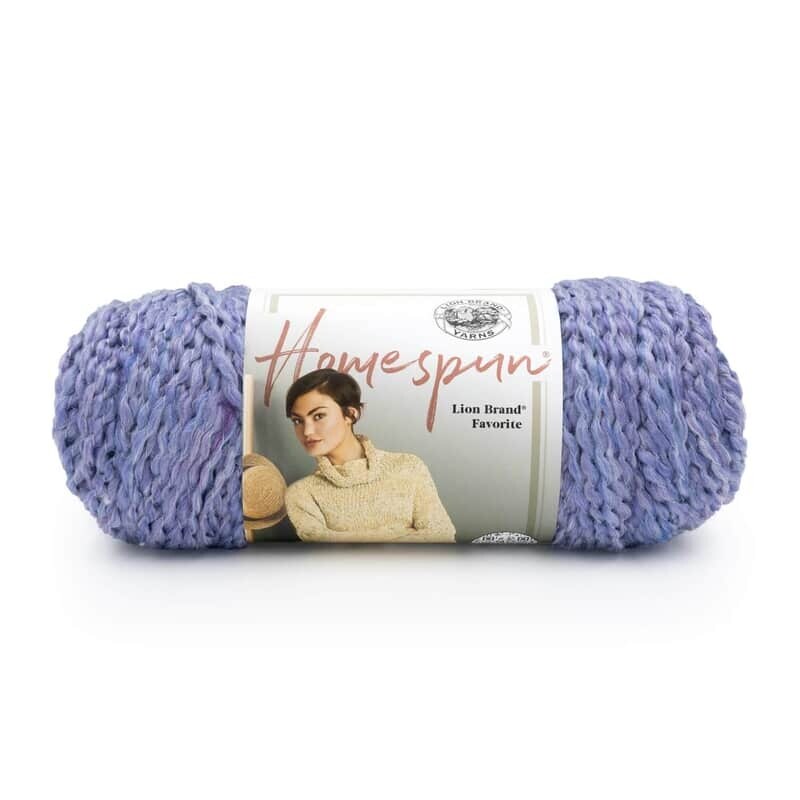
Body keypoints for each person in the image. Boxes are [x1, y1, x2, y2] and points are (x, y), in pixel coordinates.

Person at [284, 369, 456, 543]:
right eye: (297, 421)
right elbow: (323, 551)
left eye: (318, 416)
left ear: (351, 414)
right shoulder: (301, 494)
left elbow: (442, 535)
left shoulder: (408, 467)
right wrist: (400, 533)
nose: (307, 431)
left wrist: (347, 542)